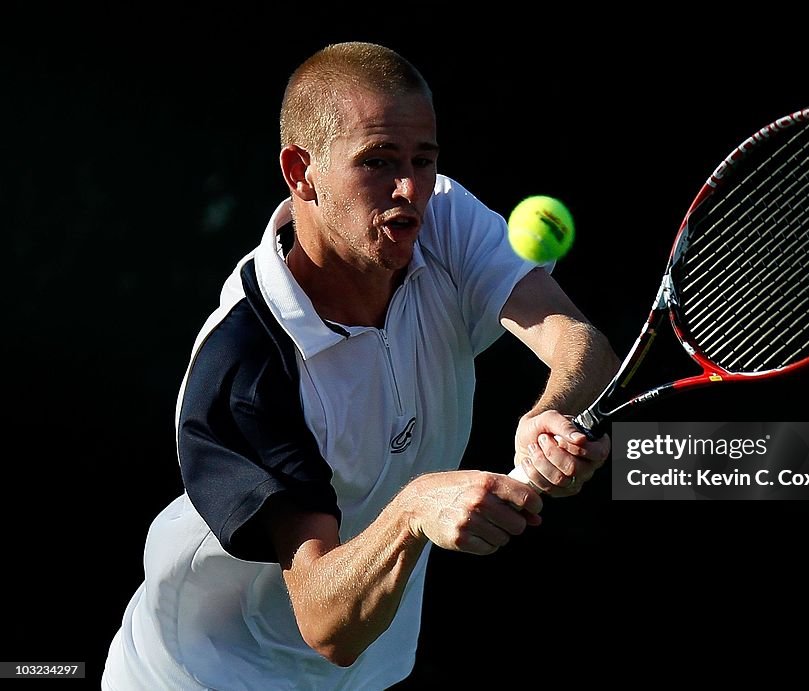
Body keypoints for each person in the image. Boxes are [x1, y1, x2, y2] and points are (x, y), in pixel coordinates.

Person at [102, 41, 619, 690]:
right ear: (301, 171)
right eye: (377, 161)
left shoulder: (442, 217)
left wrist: (552, 410)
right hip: (198, 675)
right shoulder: (247, 367)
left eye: (423, 160)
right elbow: (328, 623)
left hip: (366, 673)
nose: (409, 189)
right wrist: (413, 507)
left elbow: (579, 342)